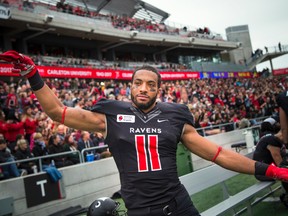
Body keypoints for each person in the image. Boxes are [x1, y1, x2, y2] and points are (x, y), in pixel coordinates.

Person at [1, 51, 288, 216]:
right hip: (141, 211)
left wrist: (274, 171)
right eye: (138, 83)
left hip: (180, 204)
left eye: (151, 85)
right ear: (131, 85)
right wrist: (33, 74)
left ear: (158, 89)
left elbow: (217, 154)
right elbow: (58, 113)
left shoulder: (175, 115)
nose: (143, 89)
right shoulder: (109, 115)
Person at [253, 118, 288, 207]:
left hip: (265, 169)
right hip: (263, 172)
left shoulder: (272, 138)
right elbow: (280, 163)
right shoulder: (272, 140)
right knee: (284, 173)